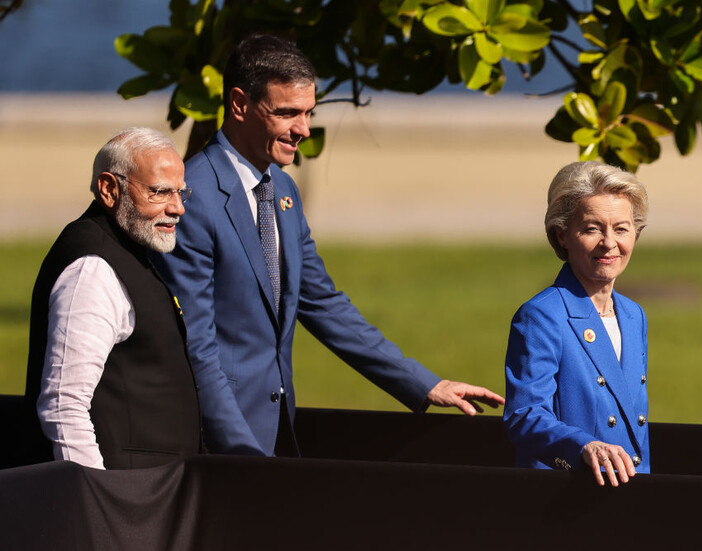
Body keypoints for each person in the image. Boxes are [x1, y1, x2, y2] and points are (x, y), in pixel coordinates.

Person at [152, 34, 504, 457]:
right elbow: (197, 347)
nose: (303, 129)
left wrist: (424, 383)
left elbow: (323, 303)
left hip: (277, 436)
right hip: (220, 447)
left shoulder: (281, 190)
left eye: (308, 113)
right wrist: (242, 457)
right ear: (240, 105)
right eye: (287, 113)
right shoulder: (192, 199)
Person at [24, 127, 202, 469]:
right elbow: (63, 405)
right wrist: (95, 493)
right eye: (160, 192)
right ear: (109, 189)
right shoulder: (92, 269)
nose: (178, 208)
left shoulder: (128, 249)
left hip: (149, 489)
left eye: (180, 192)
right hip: (119, 492)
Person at [503, 161, 650, 487]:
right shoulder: (541, 316)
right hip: (566, 495)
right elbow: (525, 416)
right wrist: (583, 447)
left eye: (621, 229)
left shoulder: (633, 315)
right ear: (562, 235)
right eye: (592, 229)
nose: (609, 243)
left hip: (629, 493)